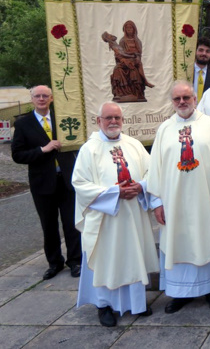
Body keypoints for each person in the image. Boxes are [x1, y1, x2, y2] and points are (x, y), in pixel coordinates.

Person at [72, 102, 158, 327]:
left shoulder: (134, 144)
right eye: (108, 118)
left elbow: (152, 172)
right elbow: (79, 183)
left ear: (123, 120)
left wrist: (140, 186)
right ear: (98, 121)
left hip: (132, 215)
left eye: (117, 118)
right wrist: (114, 192)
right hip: (105, 218)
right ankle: (104, 305)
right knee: (107, 259)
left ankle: (137, 303)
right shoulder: (88, 149)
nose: (113, 122)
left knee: (132, 254)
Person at [148, 81, 210, 314]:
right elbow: (155, 168)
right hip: (174, 203)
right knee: (178, 242)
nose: (182, 102)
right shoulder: (164, 129)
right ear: (172, 102)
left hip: (205, 200)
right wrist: (157, 203)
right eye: (177, 99)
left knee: (206, 241)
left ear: (195, 98)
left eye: (186, 97)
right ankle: (179, 293)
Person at [11, 85, 82, 280]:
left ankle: (75, 261)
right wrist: (43, 149)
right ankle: (54, 263)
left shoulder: (63, 119)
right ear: (32, 99)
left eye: (45, 96)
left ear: (51, 98)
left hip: (67, 179)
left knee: (71, 223)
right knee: (49, 225)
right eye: (37, 96)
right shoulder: (24, 124)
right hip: (42, 182)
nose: (41, 99)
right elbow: (17, 155)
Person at [193, 37, 210, 105]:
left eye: (207, 51)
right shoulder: (186, 72)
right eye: (201, 50)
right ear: (195, 51)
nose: (204, 53)